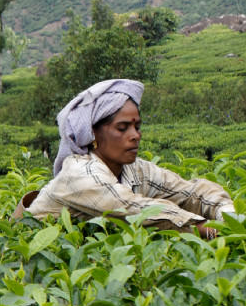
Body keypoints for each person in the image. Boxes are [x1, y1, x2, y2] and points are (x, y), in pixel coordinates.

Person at [16, 78, 233, 238]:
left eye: (137, 127)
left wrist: (227, 214)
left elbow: (191, 191)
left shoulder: (136, 170)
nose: (135, 136)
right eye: (122, 128)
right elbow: (133, 208)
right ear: (93, 134)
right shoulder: (80, 173)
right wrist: (206, 228)